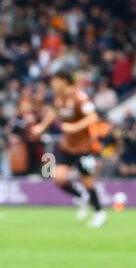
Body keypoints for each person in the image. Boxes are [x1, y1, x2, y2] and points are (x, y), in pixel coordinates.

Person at [29, 72, 108, 228]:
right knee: (58, 178)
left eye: (55, 81)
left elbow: (93, 117)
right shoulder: (59, 98)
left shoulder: (80, 97)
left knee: (87, 182)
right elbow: (54, 114)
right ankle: (81, 197)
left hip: (83, 149)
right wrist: (41, 127)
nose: (53, 84)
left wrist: (74, 127)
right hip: (66, 147)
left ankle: (99, 212)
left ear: (64, 81)